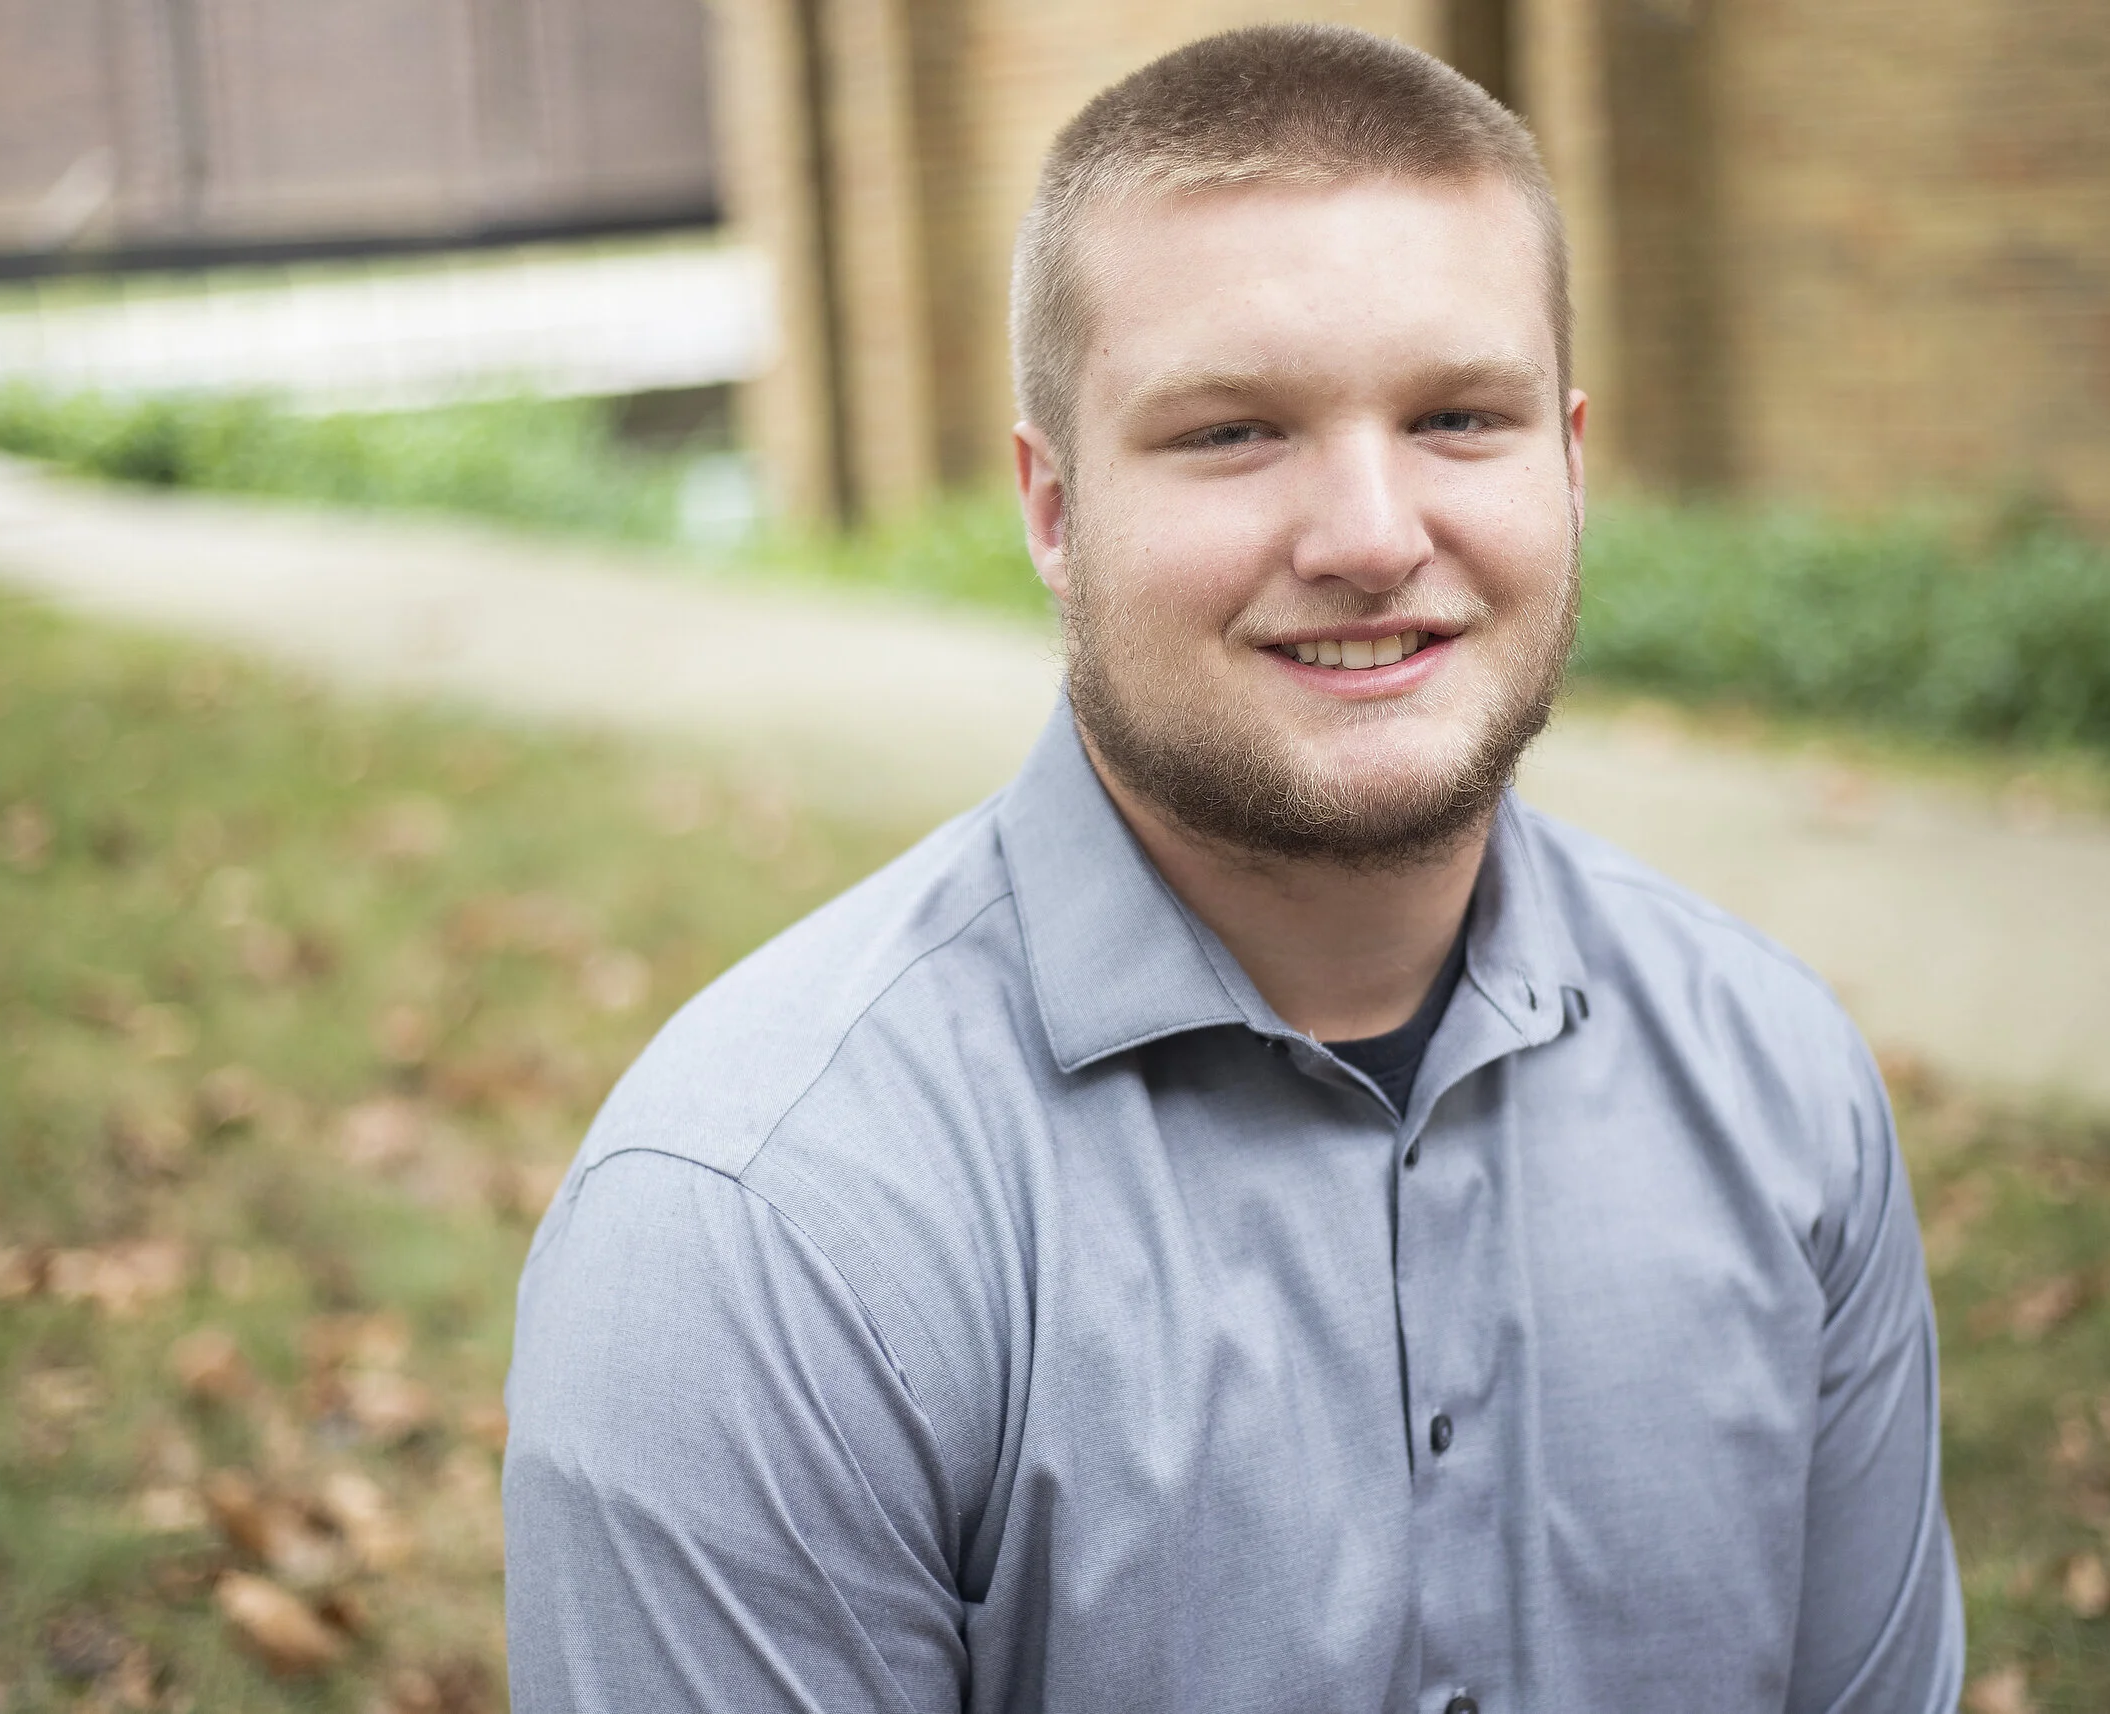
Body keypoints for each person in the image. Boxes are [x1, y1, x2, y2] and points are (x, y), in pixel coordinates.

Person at [503, 23, 1962, 1713]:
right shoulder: (760, 1234)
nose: (1371, 536)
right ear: (1054, 509)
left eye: (1457, 417)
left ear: (1570, 460)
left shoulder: (1780, 1087)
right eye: (1234, 432)